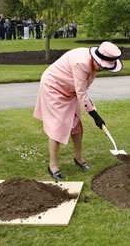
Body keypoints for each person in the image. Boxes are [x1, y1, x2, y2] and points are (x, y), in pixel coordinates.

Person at [34, 41, 123, 180]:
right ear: (97, 59)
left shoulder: (93, 65)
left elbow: (82, 91)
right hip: (54, 88)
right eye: (103, 66)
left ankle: (79, 158)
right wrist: (96, 116)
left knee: (75, 125)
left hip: (70, 91)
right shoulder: (81, 64)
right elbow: (82, 93)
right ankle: (53, 165)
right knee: (57, 127)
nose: (103, 69)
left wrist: (91, 108)